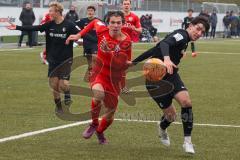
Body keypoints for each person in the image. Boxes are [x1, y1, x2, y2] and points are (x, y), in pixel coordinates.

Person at [131, 16, 210, 154]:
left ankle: (187, 142)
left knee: (186, 102)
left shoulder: (185, 40)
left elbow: (155, 49)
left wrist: (133, 62)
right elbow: (164, 44)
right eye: (198, 29)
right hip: (155, 80)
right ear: (190, 26)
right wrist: (166, 59)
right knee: (171, 116)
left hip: (171, 75)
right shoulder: (182, 35)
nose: (199, 33)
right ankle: (162, 128)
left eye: (202, 32)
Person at [66, 11, 132, 144]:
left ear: (123, 24)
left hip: (115, 79)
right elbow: (93, 23)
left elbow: (123, 65)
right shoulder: (102, 30)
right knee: (98, 94)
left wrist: (111, 53)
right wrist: (79, 34)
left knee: (110, 112)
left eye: (118, 23)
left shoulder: (126, 42)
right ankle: (94, 123)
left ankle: (100, 132)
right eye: (112, 22)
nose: (115, 25)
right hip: (99, 72)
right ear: (108, 23)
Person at [7, 2, 81, 113]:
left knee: (63, 84)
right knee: (54, 85)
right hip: (53, 59)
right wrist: (17, 27)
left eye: (51, 11)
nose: (49, 13)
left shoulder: (69, 25)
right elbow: (35, 28)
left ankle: (67, 93)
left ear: (57, 12)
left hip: (66, 59)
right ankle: (59, 107)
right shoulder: (49, 24)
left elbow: (81, 33)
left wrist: (78, 37)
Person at [121, 0, 142, 93]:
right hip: (116, 43)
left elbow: (140, 30)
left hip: (128, 44)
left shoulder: (134, 17)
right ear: (122, 5)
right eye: (124, 4)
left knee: (125, 66)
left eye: (128, 4)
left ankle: (122, 86)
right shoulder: (117, 16)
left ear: (130, 5)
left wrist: (135, 29)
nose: (126, 5)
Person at [75, 6, 98, 82]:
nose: (90, 12)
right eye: (88, 10)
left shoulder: (97, 21)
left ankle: (94, 75)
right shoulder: (82, 21)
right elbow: (73, 25)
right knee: (89, 61)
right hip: (86, 43)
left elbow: (105, 28)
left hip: (95, 43)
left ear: (94, 12)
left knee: (95, 57)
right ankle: (90, 72)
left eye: (91, 10)